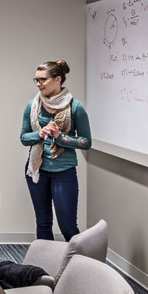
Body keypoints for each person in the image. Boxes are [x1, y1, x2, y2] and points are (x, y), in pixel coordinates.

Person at [20, 60, 91, 241]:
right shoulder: (32, 105)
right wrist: (40, 134)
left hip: (64, 173)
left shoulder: (75, 107)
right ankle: (44, 267)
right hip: (36, 171)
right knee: (43, 223)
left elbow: (86, 142)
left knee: (68, 227)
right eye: (36, 80)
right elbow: (24, 138)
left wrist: (60, 137)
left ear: (58, 79)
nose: (38, 84)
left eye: (42, 80)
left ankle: (79, 265)